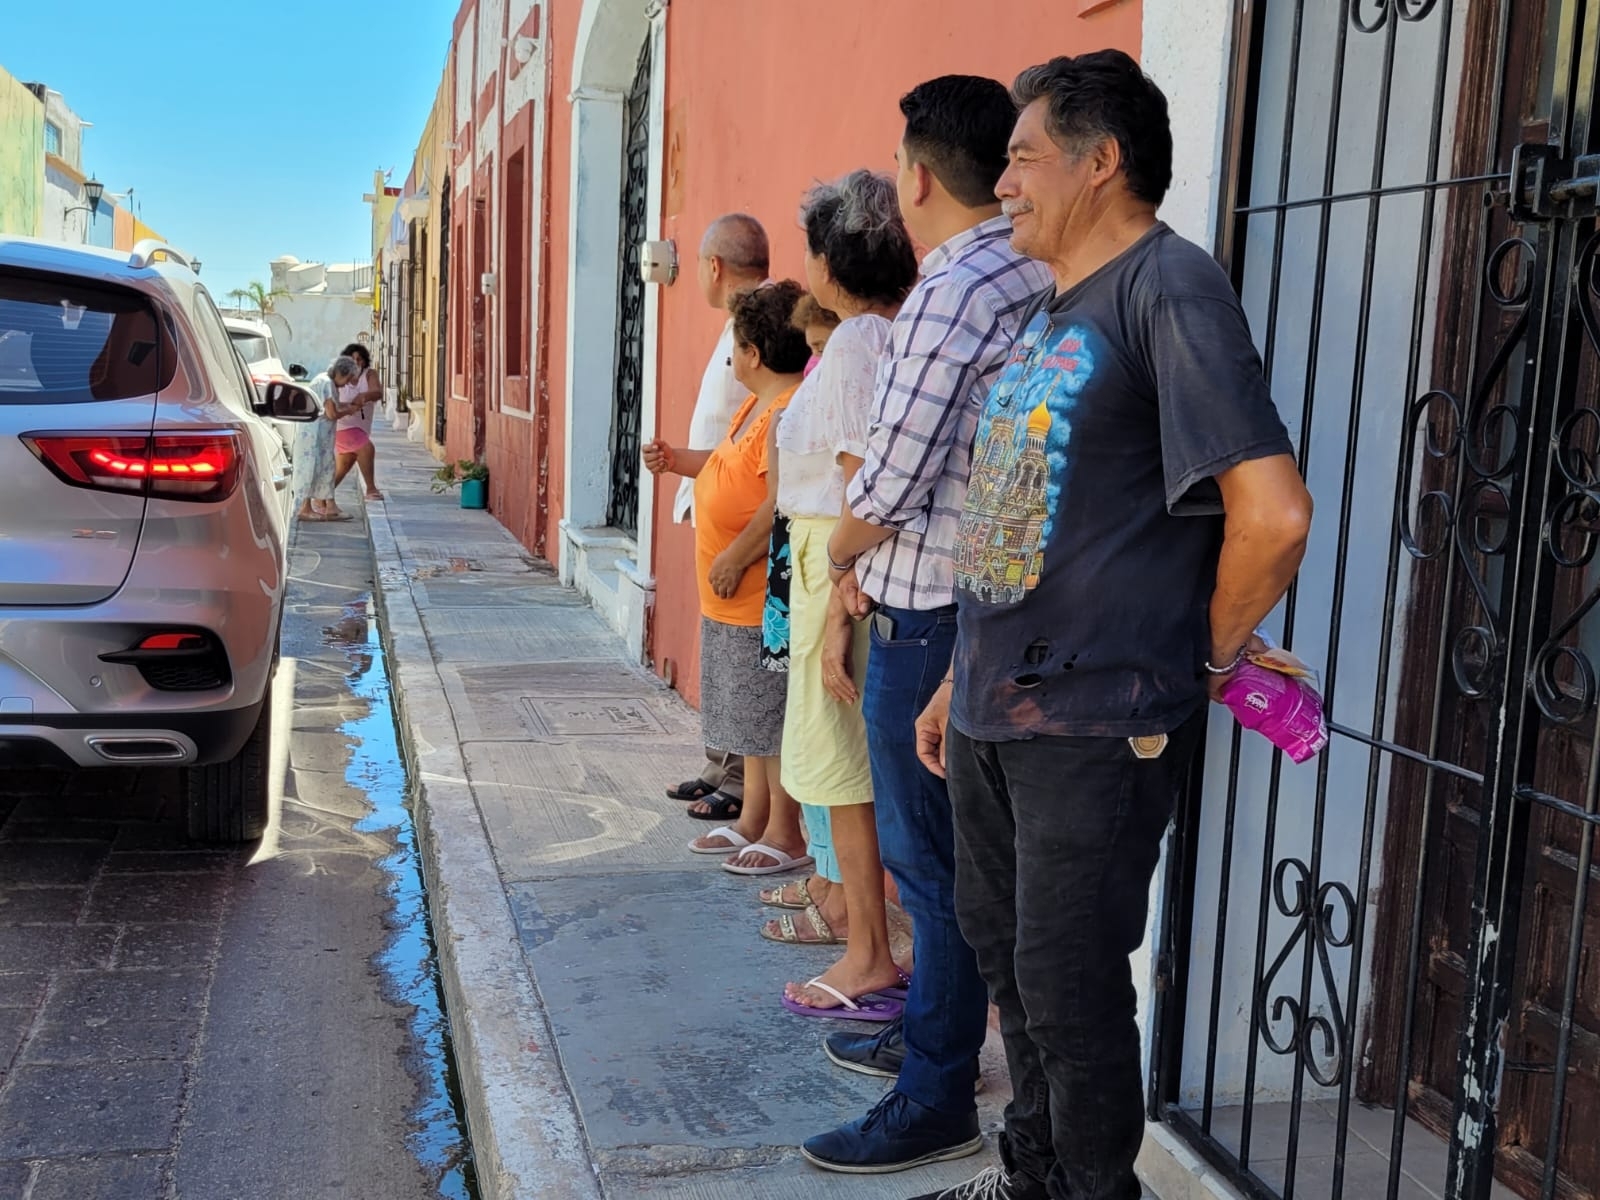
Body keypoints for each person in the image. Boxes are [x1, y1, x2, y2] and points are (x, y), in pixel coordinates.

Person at [910, 53, 1312, 1200]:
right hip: (999, 709)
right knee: (1014, 970)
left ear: (1103, 163)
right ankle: (1031, 1177)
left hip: (1095, 722)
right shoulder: (1053, 308)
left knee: (1072, 986)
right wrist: (956, 680)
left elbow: (1273, 516)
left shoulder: (1167, 287)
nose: (1002, 184)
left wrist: (1208, 653)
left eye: (1025, 157)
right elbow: (1021, 526)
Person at [801, 76, 1055, 1176]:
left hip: (933, 614)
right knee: (949, 859)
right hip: (960, 592)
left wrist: (844, 558)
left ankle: (935, 1091)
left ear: (912, 174)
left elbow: (897, 473)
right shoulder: (1026, 263)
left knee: (932, 862)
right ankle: (929, 1041)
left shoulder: (955, 285)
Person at [764, 171, 918, 1024]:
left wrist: (837, 605)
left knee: (841, 771)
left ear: (831, 260)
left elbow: (864, 480)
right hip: (830, 557)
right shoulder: (879, 334)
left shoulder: (860, 342)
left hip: (838, 563)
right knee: (840, 768)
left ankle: (868, 954)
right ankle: (868, 942)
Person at [642, 282, 811, 875]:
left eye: (734, 349)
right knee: (750, 723)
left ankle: (783, 831)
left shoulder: (786, 413)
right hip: (734, 601)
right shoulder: (754, 407)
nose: (730, 360)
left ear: (755, 354)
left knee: (768, 721)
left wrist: (737, 556)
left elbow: (779, 502)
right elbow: (722, 466)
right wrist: (675, 461)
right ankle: (753, 822)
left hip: (759, 597)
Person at [664, 214, 772, 821]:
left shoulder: (758, 320)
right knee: (719, 641)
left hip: (742, 516)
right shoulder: (737, 318)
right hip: (715, 495)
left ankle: (737, 774)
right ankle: (719, 759)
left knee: (739, 648)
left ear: (712, 267)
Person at [294, 355, 359, 522]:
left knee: (326, 467)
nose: (346, 384)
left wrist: (349, 406)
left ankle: (330, 506)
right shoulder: (326, 383)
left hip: (321, 436)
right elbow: (331, 413)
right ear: (341, 374)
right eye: (348, 379)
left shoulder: (326, 382)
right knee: (312, 468)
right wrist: (349, 410)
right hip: (314, 435)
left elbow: (332, 407)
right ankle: (305, 508)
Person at [333, 342, 384, 501]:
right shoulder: (340, 377)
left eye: (360, 359)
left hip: (360, 428)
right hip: (342, 427)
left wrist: (364, 396)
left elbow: (377, 392)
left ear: (364, 361)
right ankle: (371, 489)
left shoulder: (369, 375)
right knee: (366, 448)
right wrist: (347, 407)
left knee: (346, 463)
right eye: (353, 359)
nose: (356, 363)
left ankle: (322, 498)